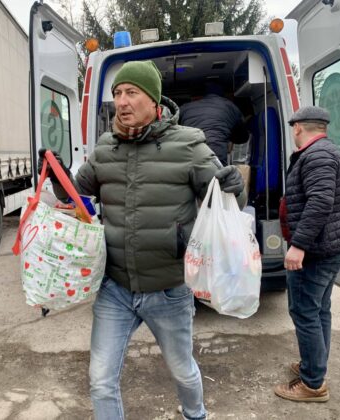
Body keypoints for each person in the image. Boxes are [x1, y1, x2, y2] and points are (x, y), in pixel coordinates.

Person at [38, 60, 244, 420]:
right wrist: (57, 176)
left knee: (183, 370)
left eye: (131, 92)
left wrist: (234, 189)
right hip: (115, 289)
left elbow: (225, 201)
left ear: (154, 100)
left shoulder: (189, 145)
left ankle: (196, 414)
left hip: (168, 289)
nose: (122, 101)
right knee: (100, 380)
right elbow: (77, 194)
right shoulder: (105, 149)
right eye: (117, 93)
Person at [274, 106, 340, 402]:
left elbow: (320, 202)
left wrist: (298, 246)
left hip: (317, 251)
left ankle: (312, 384)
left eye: (292, 128)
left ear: (298, 127)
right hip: (331, 246)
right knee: (319, 309)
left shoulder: (317, 155)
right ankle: (314, 366)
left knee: (305, 311)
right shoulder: (327, 151)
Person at [179, 82, 250, 165]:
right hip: (216, 151)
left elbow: (173, 129)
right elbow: (242, 136)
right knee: (217, 175)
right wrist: (227, 136)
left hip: (190, 152)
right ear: (222, 95)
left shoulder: (185, 107)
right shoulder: (230, 106)